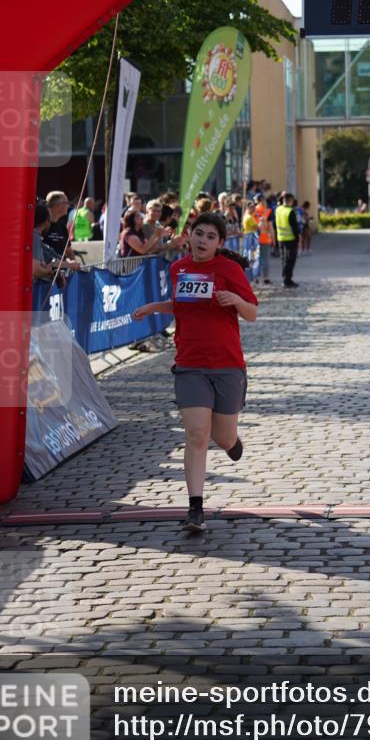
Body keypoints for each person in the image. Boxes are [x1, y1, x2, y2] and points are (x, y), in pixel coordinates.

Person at [131, 212, 258, 533]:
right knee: (197, 435)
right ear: (189, 235)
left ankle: (231, 443)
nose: (202, 240)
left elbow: (252, 313)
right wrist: (154, 307)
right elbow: (183, 303)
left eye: (210, 237)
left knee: (221, 436)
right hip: (189, 364)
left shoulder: (229, 269)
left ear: (220, 243)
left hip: (227, 364)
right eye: (198, 234)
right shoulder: (179, 268)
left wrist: (236, 300)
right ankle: (195, 509)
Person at [44, 191, 81, 268]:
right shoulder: (42, 225)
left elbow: (69, 252)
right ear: (58, 205)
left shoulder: (62, 227)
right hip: (45, 274)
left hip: (61, 275)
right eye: (67, 203)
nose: (69, 206)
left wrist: (75, 266)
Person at [275, 191, 300, 288]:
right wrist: (298, 239)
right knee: (290, 260)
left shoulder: (278, 209)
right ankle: (287, 279)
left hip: (280, 238)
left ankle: (284, 277)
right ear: (291, 201)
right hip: (290, 239)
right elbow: (294, 227)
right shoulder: (290, 211)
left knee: (283, 259)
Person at [254, 194, 275, 283]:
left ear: (256, 200)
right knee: (265, 258)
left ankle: (256, 277)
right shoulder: (268, 211)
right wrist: (274, 239)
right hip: (265, 238)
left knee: (257, 258)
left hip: (254, 238)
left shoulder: (253, 210)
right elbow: (270, 227)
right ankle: (266, 277)